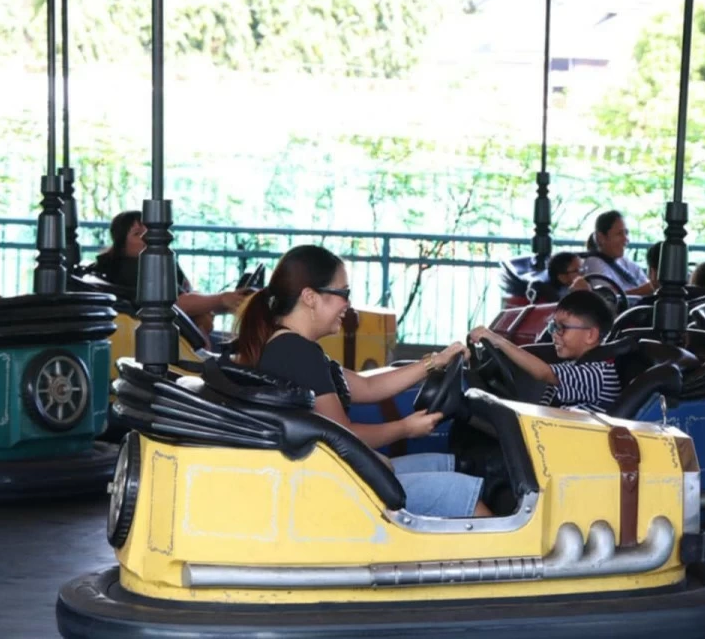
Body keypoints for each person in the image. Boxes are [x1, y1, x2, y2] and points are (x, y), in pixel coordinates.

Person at [233, 244, 490, 518]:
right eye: (343, 293)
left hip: (326, 473)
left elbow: (368, 387)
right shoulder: (296, 352)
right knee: (464, 495)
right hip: (332, 484)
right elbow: (344, 435)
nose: (348, 304)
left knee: (447, 465)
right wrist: (405, 428)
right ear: (310, 297)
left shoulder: (289, 346)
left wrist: (435, 361)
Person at [88, 210, 248, 336]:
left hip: (175, 332)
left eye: (149, 230)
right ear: (122, 246)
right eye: (137, 234)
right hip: (152, 338)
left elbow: (189, 299)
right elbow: (171, 304)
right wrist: (221, 300)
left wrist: (231, 302)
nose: (148, 237)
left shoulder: (160, 262)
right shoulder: (128, 269)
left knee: (203, 318)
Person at [468, 290, 620, 413]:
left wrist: (498, 340)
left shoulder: (596, 373)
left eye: (562, 328)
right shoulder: (577, 365)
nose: (554, 334)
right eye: (553, 327)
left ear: (590, 335)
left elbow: (544, 373)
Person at [579, 210, 655, 296]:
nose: (626, 239)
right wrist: (647, 289)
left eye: (626, 233)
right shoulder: (594, 263)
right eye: (619, 234)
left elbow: (645, 282)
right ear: (601, 238)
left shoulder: (624, 261)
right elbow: (609, 298)